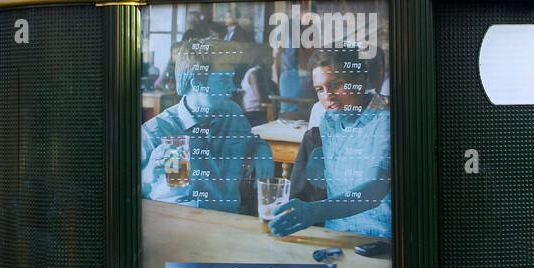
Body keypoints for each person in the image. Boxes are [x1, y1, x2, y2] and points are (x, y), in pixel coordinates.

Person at [269, 49, 390, 237]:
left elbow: (374, 189)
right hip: (333, 234)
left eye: (336, 84)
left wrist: (313, 211)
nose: (328, 96)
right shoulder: (328, 121)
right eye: (320, 89)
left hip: (376, 239)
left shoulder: (385, 121)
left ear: (359, 81)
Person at [142, 40, 273, 211]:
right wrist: (149, 173)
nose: (232, 87)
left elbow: (251, 142)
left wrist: (262, 150)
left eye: (231, 78)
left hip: (227, 220)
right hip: (177, 221)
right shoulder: (156, 131)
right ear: (197, 83)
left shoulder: (232, 114)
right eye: (224, 80)